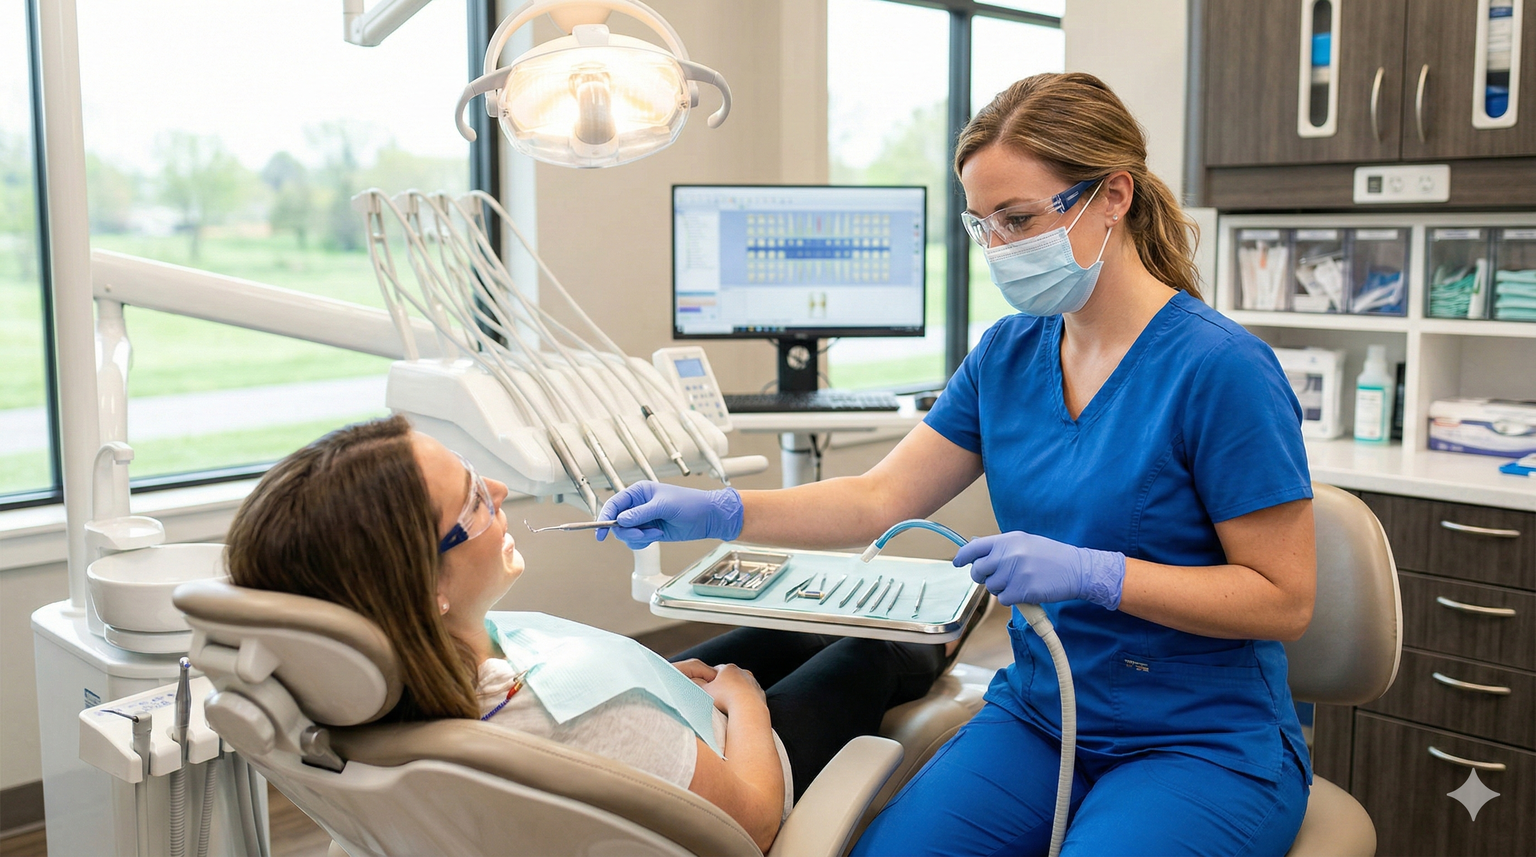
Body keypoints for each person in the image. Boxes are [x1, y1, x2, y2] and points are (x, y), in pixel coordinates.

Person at [598, 72, 1316, 856]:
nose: (1001, 248)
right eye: (983, 226)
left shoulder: (1223, 370)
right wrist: (720, 510)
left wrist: (1096, 574)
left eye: (1019, 219)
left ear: (1114, 195)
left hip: (1203, 741)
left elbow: (1283, 598)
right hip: (1044, 717)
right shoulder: (1008, 356)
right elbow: (879, 497)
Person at [223, 414, 947, 852]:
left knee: (783, 631)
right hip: (746, 767)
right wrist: (745, 701)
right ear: (428, 586)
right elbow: (753, 822)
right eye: (476, 499)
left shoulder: (396, 682)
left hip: (655, 728)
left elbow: (603, 709)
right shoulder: (592, 721)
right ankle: (932, 653)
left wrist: (655, 677)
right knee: (869, 645)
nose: (500, 492)